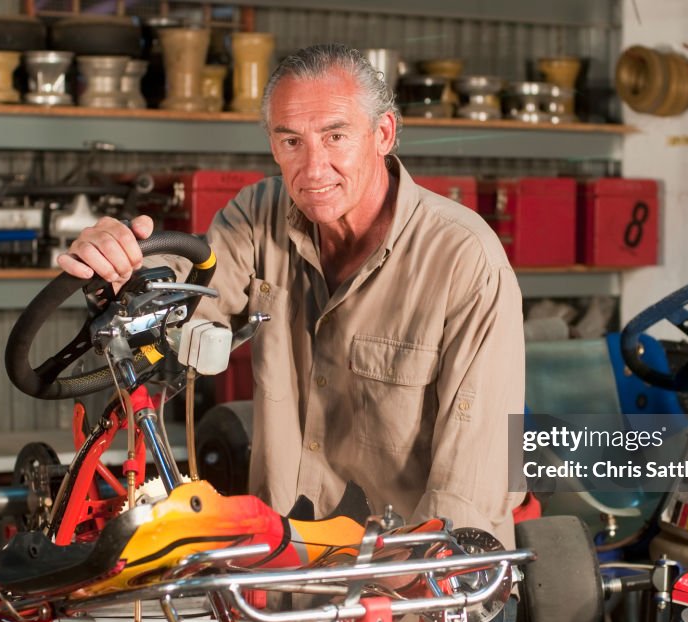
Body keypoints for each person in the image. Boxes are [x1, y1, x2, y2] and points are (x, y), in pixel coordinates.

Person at [58, 43, 525, 550]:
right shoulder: (256, 216)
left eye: (335, 136)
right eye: (292, 141)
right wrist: (122, 270)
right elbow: (183, 306)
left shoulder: (465, 259)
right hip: (285, 583)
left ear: (383, 134)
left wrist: (408, 597)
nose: (314, 168)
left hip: (414, 588)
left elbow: (474, 484)